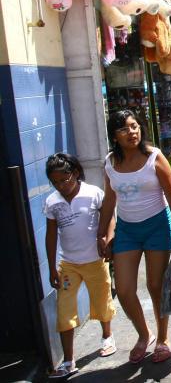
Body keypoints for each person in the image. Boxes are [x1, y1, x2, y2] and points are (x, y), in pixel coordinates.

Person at [97, 110, 171, 364]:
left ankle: (163, 338)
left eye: (134, 126)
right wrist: (102, 234)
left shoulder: (155, 158)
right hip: (127, 230)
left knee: (155, 286)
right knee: (124, 290)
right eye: (124, 129)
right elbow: (110, 199)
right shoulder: (110, 162)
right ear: (114, 135)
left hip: (158, 226)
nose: (131, 132)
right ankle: (143, 335)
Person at [45, 153, 116, 378]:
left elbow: (110, 216)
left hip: (95, 260)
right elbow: (50, 237)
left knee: (101, 299)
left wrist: (107, 239)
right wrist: (51, 268)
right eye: (55, 182)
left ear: (75, 173)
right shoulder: (52, 202)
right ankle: (68, 361)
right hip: (68, 265)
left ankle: (107, 336)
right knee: (64, 310)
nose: (61, 186)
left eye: (64, 180)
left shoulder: (93, 193)